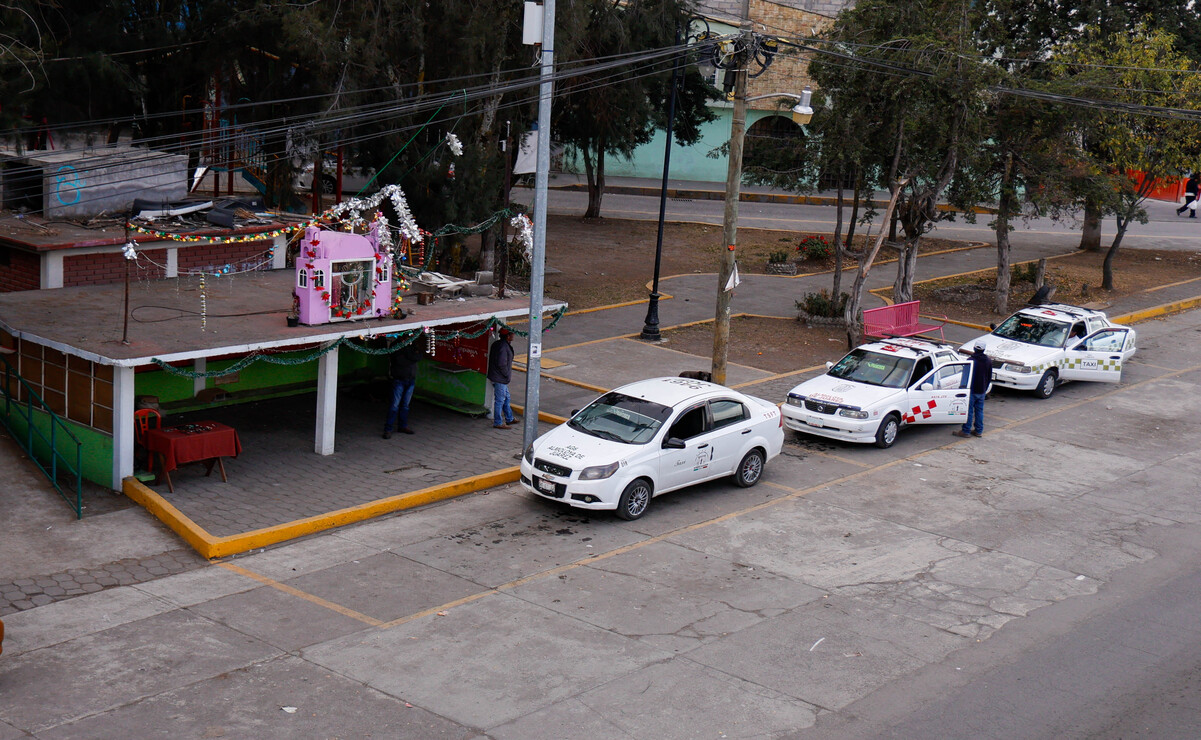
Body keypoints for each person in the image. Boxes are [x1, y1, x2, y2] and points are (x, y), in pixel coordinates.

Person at [383, 341, 422, 439]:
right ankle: (388, 429)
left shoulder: (412, 344)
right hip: (399, 379)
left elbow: (418, 357)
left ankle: (402, 426)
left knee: (405, 405)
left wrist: (408, 354)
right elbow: (400, 361)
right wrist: (411, 356)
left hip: (410, 380)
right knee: (394, 406)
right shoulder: (396, 345)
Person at [954, 342, 993, 438]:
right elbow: (989, 376)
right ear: (983, 350)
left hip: (971, 390)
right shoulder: (988, 361)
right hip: (982, 390)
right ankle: (978, 431)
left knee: (969, 411)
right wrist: (985, 388)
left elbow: (965, 377)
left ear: (974, 348)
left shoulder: (970, 361)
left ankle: (966, 431)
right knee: (979, 411)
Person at [488, 327, 517, 430]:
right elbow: (502, 364)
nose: (514, 335)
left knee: (506, 398)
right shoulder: (503, 347)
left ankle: (509, 418)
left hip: (498, 377)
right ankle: (498, 422)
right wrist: (506, 374)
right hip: (500, 378)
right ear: (508, 336)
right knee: (500, 400)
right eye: (512, 334)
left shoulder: (498, 344)